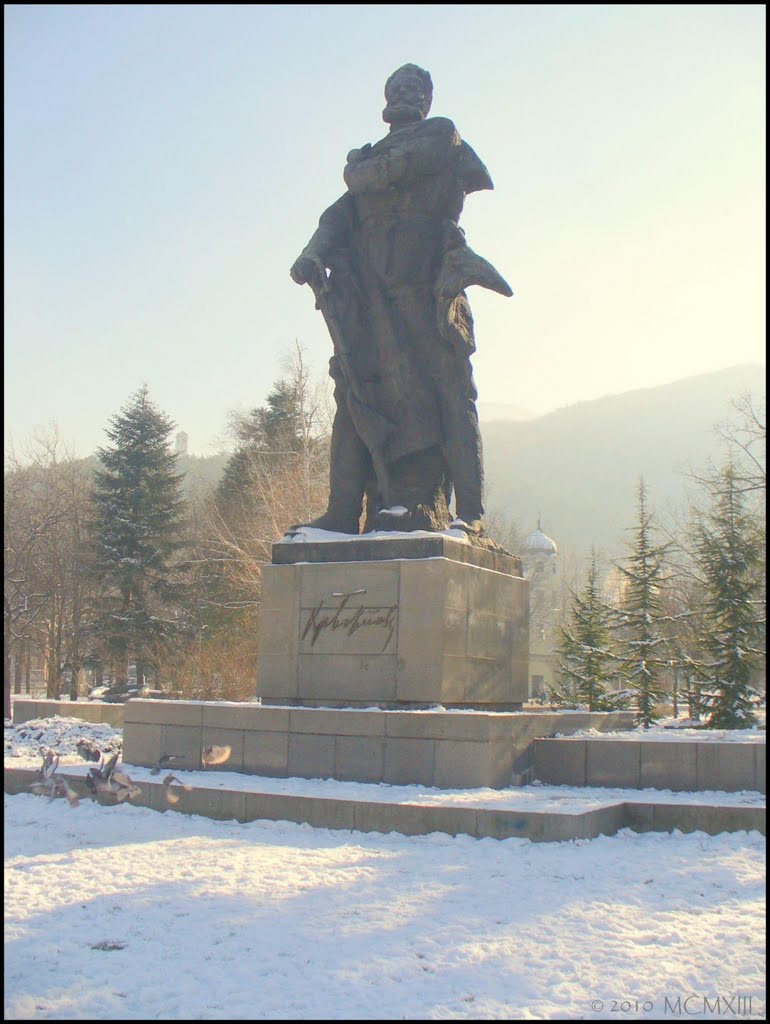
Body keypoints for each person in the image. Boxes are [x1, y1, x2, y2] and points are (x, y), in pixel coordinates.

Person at [290, 63, 511, 536]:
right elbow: (337, 216)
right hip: (371, 301)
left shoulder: (439, 135)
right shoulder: (369, 165)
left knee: (450, 394)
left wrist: (357, 170)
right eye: (398, 88)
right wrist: (313, 253)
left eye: (415, 89)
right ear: (385, 99)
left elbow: (396, 168)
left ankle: (469, 513)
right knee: (355, 395)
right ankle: (342, 513)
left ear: (426, 100)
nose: (406, 94)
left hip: (430, 295)